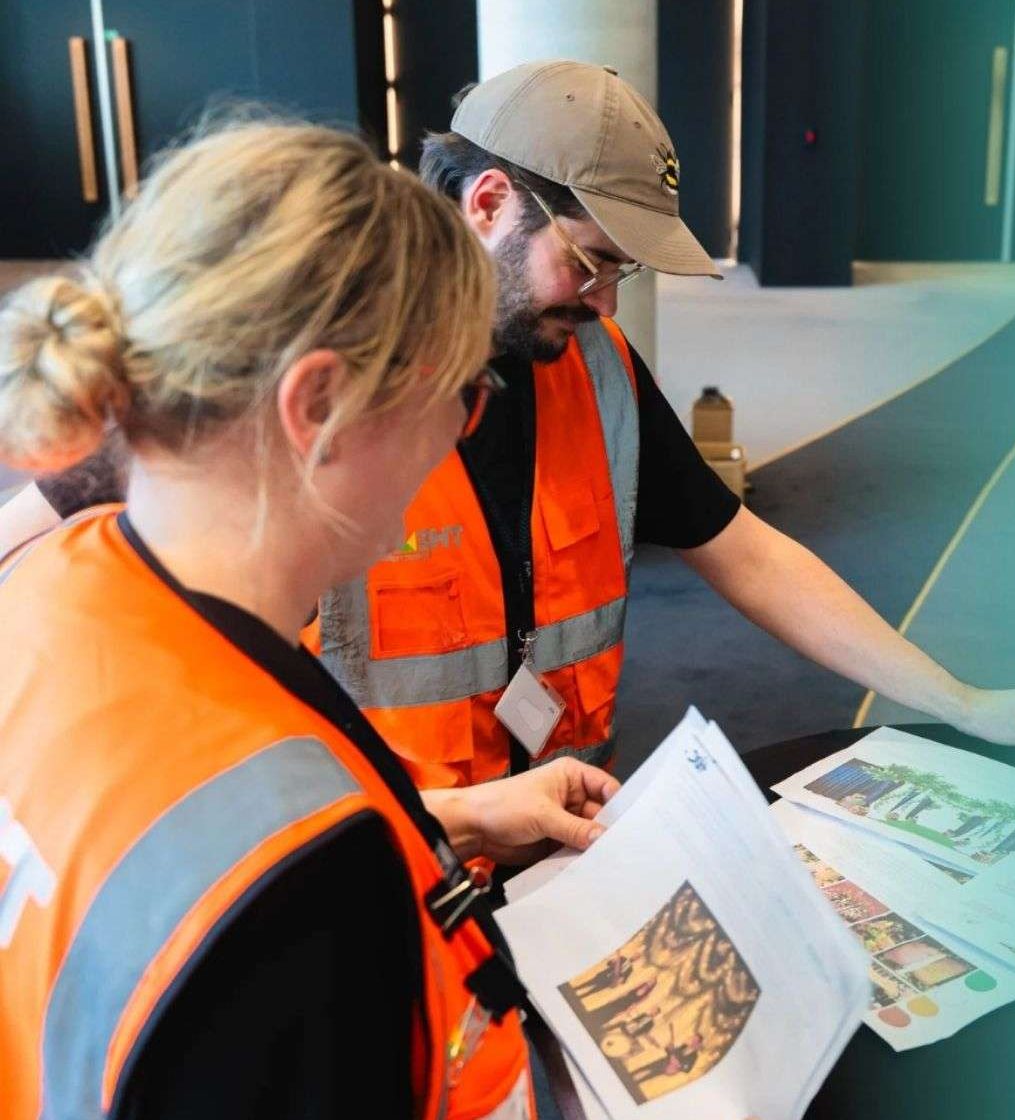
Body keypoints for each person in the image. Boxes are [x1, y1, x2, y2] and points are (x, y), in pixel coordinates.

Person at [0, 59, 1015, 789]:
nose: (606, 300)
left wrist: (957, 696)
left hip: (556, 840)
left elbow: (742, 547)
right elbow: (44, 537)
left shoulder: (594, 362)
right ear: (487, 204)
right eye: (589, 259)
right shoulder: (300, 385)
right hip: (365, 871)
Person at [0, 121, 621, 1117]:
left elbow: (156, 857)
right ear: (321, 403)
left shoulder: (46, 591)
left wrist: (446, 819)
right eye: (462, 395)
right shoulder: (318, 894)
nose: (462, 438)